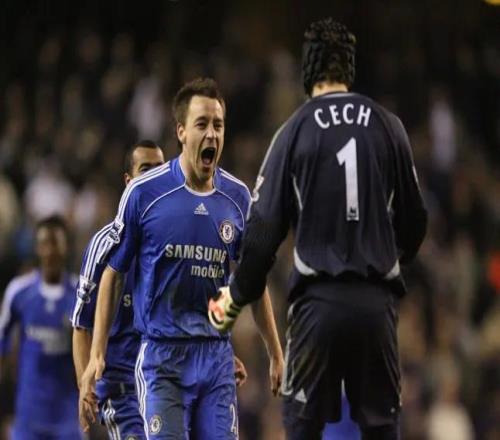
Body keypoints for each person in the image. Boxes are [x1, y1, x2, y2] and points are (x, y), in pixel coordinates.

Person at [208, 18, 428, 440]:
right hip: (376, 306)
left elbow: (260, 240)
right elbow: (415, 225)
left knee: (301, 429)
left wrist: (230, 303)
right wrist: (382, 254)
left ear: (307, 69)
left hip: (317, 308)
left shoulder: (294, 130)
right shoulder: (389, 126)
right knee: (383, 430)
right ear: (349, 68)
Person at [80, 78, 284, 439]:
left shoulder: (237, 198)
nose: (211, 134)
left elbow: (251, 278)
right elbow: (113, 273)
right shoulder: (144, 193)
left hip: (215, 358)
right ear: (181, 132)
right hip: (163, 359)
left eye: (218, 125)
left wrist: (275, 350)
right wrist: (97, 353)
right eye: (201, 124)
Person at [72, 140, 249, 438]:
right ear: (128, 182)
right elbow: (81, 324)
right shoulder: (105, 247)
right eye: (145, 170)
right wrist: (86, 384)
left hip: (172, 378)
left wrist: (216, 347)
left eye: (159, 168)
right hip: (124, 391)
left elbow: (205, 296)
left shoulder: (177, 236)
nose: (155, 176)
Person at [0, 216, 81, 439]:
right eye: (45, 243)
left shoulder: (81, 295)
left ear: (66, 248)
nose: (50, 251)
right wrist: (4, 410)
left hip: (68, 420)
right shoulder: (19, 292)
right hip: (28, 420)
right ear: (37, 248)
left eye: (56, 243)